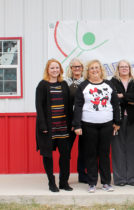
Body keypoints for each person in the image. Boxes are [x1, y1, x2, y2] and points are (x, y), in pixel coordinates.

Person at [72, 59, 121, 193]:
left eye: (97, 68)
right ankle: (92, 182)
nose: (95, 70)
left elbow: (116, 104)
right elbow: (78, 107)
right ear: (88, 71)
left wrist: (117, 122)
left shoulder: (109, 84)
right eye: (92, 68)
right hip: (88, 125)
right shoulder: (83, 86)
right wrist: (77, 125)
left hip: (107, 124)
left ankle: (106, 182)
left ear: (101, 70)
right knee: (91, 154)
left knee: (104, 154)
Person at [35, 59, 73, 192]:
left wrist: (72, 123)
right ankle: (52, 183)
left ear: (60, 70)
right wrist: (43, 126)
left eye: (57, 67)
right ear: (47, 70)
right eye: (52, 68)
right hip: (48, 129)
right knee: (48, 156)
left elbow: (69, 107)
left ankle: (64, 182)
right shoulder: (42, 85)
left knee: (65, 156)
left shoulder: (63, 84)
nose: (55, 70)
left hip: (63, 127)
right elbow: (39, 107)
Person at [110, 60, 134, 186]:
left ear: (130, 68)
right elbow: (113, 98)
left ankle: (133, 179)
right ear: (118, 69)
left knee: (133, 148)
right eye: (121, 67)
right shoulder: (112, 81)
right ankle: (120, 179)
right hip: (117, 120)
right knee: (118, 149)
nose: (124, 68)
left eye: (126, 66)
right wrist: (128, 99)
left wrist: (122, 96)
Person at [65, 58, 87, 184]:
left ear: (82, 68)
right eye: (74, 67)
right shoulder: (66, 82)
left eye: (79, 66)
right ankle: (65, 177)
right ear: (71, 68)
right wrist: (71, 121)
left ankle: (83, 175)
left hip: (85, 120)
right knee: (66, 150)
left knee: (84, 150)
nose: (77, 69)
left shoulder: (87, 82)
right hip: (70, 121)